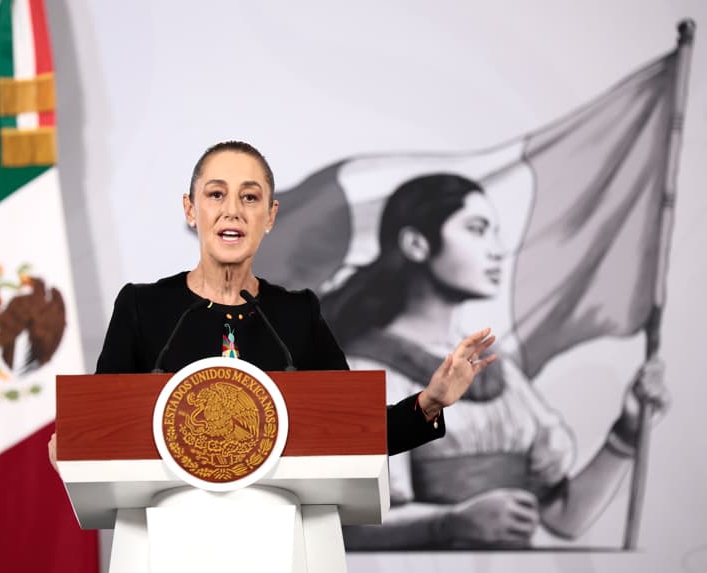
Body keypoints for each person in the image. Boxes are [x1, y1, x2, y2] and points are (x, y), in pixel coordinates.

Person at [48, 141, 497, 469]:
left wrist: (431, 402)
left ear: (270, 216)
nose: (233, 211)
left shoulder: (296, 314)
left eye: (250, 197)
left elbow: (353, 432)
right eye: (215, 194)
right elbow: (102, 428)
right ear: (190, 210)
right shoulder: (143, 308)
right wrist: (73, 447)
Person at [322, 173, 670, 549]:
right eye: (477, 229)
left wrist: (627, 433)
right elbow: (348, 526)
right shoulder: (360, 371)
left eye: (495, 232)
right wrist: (450, 524)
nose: (497, 249)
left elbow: (563, 518)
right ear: (416, 244)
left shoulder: (500, 375)